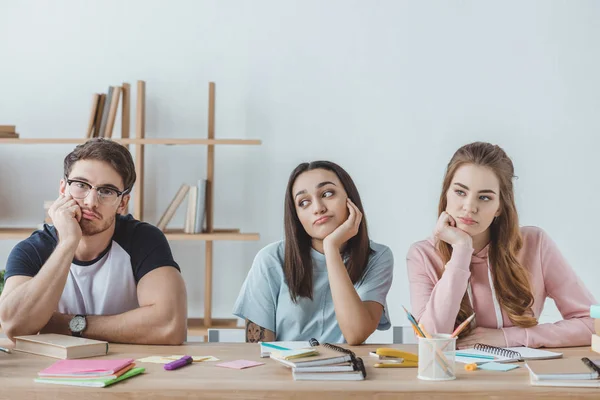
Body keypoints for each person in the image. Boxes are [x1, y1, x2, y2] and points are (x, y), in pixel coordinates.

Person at [407, 142, 596, 349]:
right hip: (456, 378)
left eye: (485, 197)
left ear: (499, 207)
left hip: (521, 376)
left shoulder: (534, 243)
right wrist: (461, 250)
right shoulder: (422, 255)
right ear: (446, 194)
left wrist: (509, 338)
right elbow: (429, 340)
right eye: (460, 192)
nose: (469, 207)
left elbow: (592, 324)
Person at [0, 138, 187, 344]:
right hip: (54, 369)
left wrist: (65, 324)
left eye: (106, 191)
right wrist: (68, 243)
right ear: (63, 189)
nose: (90, 202)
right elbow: (14, 327)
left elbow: (169, 326)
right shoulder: (33, 249)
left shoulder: (143, 240)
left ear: (122, 202)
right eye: (80, 185)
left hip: (129, 367)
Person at [234, 161, 393, 345]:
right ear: (297, 216)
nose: (318, 208)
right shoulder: (270, 260)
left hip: (348, 371)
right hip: (282, 372)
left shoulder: (377, 257)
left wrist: (331, 248)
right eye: (304, 202)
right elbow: (257, 353)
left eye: (327, 193)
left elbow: (356, 334)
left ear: (350, 199)